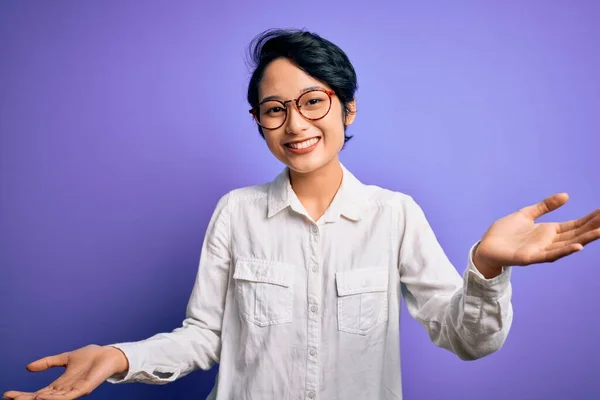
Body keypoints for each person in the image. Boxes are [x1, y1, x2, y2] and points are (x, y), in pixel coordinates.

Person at [4, 28, 600, 400]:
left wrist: (488, 268)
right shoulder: (236, 213)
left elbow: (466, 339)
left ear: (348, 110)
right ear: (260, 122)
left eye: (314, 101)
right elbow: (204, 337)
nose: (295, 124)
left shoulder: (394, 214)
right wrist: (120, 357)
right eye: (274, 109)